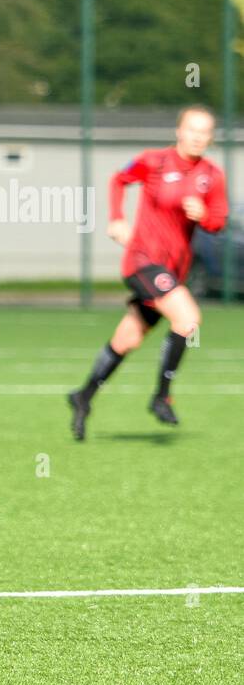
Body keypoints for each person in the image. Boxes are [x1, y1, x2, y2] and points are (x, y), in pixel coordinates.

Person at [68, 105, 229, 439]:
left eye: (205, 132)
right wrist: (116, 217)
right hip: (142, 261)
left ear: (211, 138)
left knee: (128, 338)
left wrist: (203, 215)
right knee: (187, 318)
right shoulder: (154, 161)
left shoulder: (212, 176)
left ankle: (83, 397)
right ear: (178, 131)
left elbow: (218, 222)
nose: (198, 137)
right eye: (192, 129)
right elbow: (119, 179)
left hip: (171, 271)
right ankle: (161, 397)